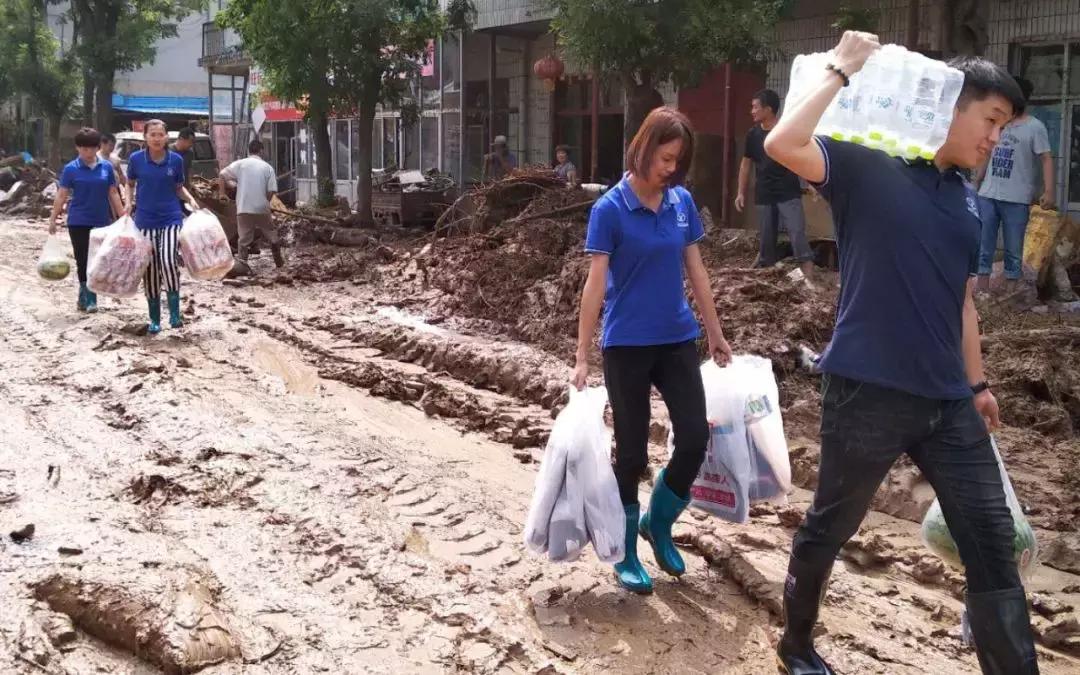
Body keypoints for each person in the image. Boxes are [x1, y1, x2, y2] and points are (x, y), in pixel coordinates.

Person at [764, 31, 1036, 675]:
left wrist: (978, 385)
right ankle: (795, 646)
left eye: (1006, 127)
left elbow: (962, 303)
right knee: (833, 523)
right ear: (950, 103)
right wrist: (840, 68)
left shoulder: (966, 203)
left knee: (992, 539)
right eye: (991, 120)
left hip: (947, 402)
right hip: (868, 391)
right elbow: (783, 144)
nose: (996, 139)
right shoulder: (868, 165)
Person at [572, 107, 732, 595]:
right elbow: (594, 287)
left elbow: (697, 273)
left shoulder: (680, 202)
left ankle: (658, 523)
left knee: (693, 439)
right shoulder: (610, 210)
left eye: (677, 161)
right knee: (633, 451)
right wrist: (582, 354)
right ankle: (625, 552)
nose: (671, 169)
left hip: (677, 338)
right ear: (642, 149)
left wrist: (716, 332)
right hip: (627, 345)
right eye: (665, 158)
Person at [974, 76, 1055, 296]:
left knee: (1013, 248)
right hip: (988, 194)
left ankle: (1010, 293)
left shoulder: (1035, 127)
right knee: (983, 243)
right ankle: (981, 291)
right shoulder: (999, 125)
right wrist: (977, 180)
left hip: (1017, 198)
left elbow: (1046, 158)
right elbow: (989, 152)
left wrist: (1049, 191)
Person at [126, 119, 200, 335]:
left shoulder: (175, 160)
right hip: (144, 220)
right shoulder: (136, 160)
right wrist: (127, 203)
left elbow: (179, 188)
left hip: (170, 218)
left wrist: (191, 200)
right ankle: (155, 319)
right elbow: (129, 185)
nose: (157, 138)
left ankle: (175, 315)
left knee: (168, 261)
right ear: (145, 137)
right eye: (153, 134)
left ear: (167, 137)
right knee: (149, 269)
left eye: (161, 134)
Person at [737, 89, 815, 280]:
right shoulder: (753, 135)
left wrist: (812, 183)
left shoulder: (786, 132)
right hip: (764, 193)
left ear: (769, 109)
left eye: (755, 107)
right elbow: (746, 164)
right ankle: (767, 274)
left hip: (788, 192)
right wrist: (740, 192)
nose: (752, 111)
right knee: (766, 238)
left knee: (796, 233)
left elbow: (802, 158)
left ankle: (809, 277)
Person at [48, 127, 126, 313]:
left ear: (97, 147)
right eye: (84, 149)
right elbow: (61, 195)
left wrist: (123, 217)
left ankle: (85, 295)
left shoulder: (106, 167)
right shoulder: (71, 169)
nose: (88, 152)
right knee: (83, 260)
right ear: (77, 148)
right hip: (78, 221)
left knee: (98, 259)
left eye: (91, 148)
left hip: (101, 220)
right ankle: (90, 297)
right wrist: (53, 218)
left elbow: (113, 193)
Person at [219, 139, 282, 267]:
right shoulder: (267, 167)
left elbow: (222, 175)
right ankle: (278, 261)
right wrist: (265, 202)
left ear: (249, 151)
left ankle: (242, 264)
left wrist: (222, 193)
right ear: (261, 151)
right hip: (261, 208)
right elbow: (271, 191)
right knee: (271, 233)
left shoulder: (240, 164)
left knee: (243, 238)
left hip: (243, 207)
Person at [98, 132, 128, 215]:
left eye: (113, 145)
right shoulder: (96, 159)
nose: (112, 148)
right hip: (102, 192)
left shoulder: (115, 159)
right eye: (110, 145)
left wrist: (127, 189)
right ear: (102, 144)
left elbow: (121, 175)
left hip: (115, 190)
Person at [170, 126, 196, 195]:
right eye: (190, 142)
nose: (191, 145)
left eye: (193, 142)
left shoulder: (190, 153)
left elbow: (189, 169)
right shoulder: (168, 151)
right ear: (181, 139)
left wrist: (190, 184)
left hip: (185, 190)